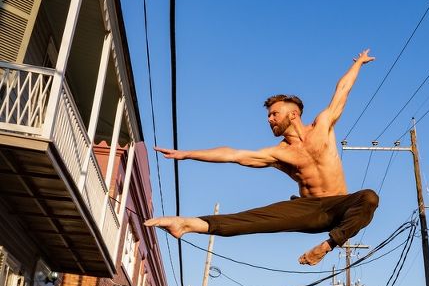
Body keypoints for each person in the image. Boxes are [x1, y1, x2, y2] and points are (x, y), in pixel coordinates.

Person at [144, 49, 379, 265]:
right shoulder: (278, 153)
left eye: (274, 114)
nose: (270, 119)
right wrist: (187, 154)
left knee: (368, 198)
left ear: (294, 113)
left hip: (339, 206)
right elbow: (232, 154)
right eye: (269, 116)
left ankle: (326, 246)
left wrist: (358, 63)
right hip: (308, 210)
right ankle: (187, 224)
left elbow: (342, 90)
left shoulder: (323, 126)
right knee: (253, 219)